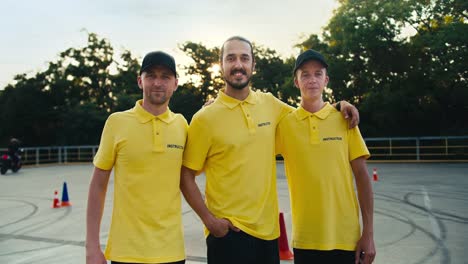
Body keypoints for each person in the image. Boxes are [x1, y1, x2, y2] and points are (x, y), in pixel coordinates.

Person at [179, 36, 359, 264]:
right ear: (221, 65)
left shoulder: (270, 105)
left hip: (268, 236)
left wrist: (339, 105)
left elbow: (307, 113)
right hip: (228, 235)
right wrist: (210, 221)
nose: (238, 64)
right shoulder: (205, 118)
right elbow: (186, 176)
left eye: (245, 58)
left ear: (253, 65)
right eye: (231, 58)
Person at [275, 49, 376, 264]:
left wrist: (368, 234)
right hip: (305, 240)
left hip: (347, 239)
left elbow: (362, 177)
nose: (312, 80)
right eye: (305, 74)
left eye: (318, 74)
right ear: (296, 81)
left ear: (326, 80)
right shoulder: (284, 125)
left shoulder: (344, 119)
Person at [86, 51, 187, 264]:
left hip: (172, 251)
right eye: (151, 75)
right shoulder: (117, 122)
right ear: (140, 81)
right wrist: (92, 247)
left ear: (176, 83)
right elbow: (98, 186)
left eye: (165, 76)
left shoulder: (183, 126)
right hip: (126, 253)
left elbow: (197, 172)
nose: (158, 82)